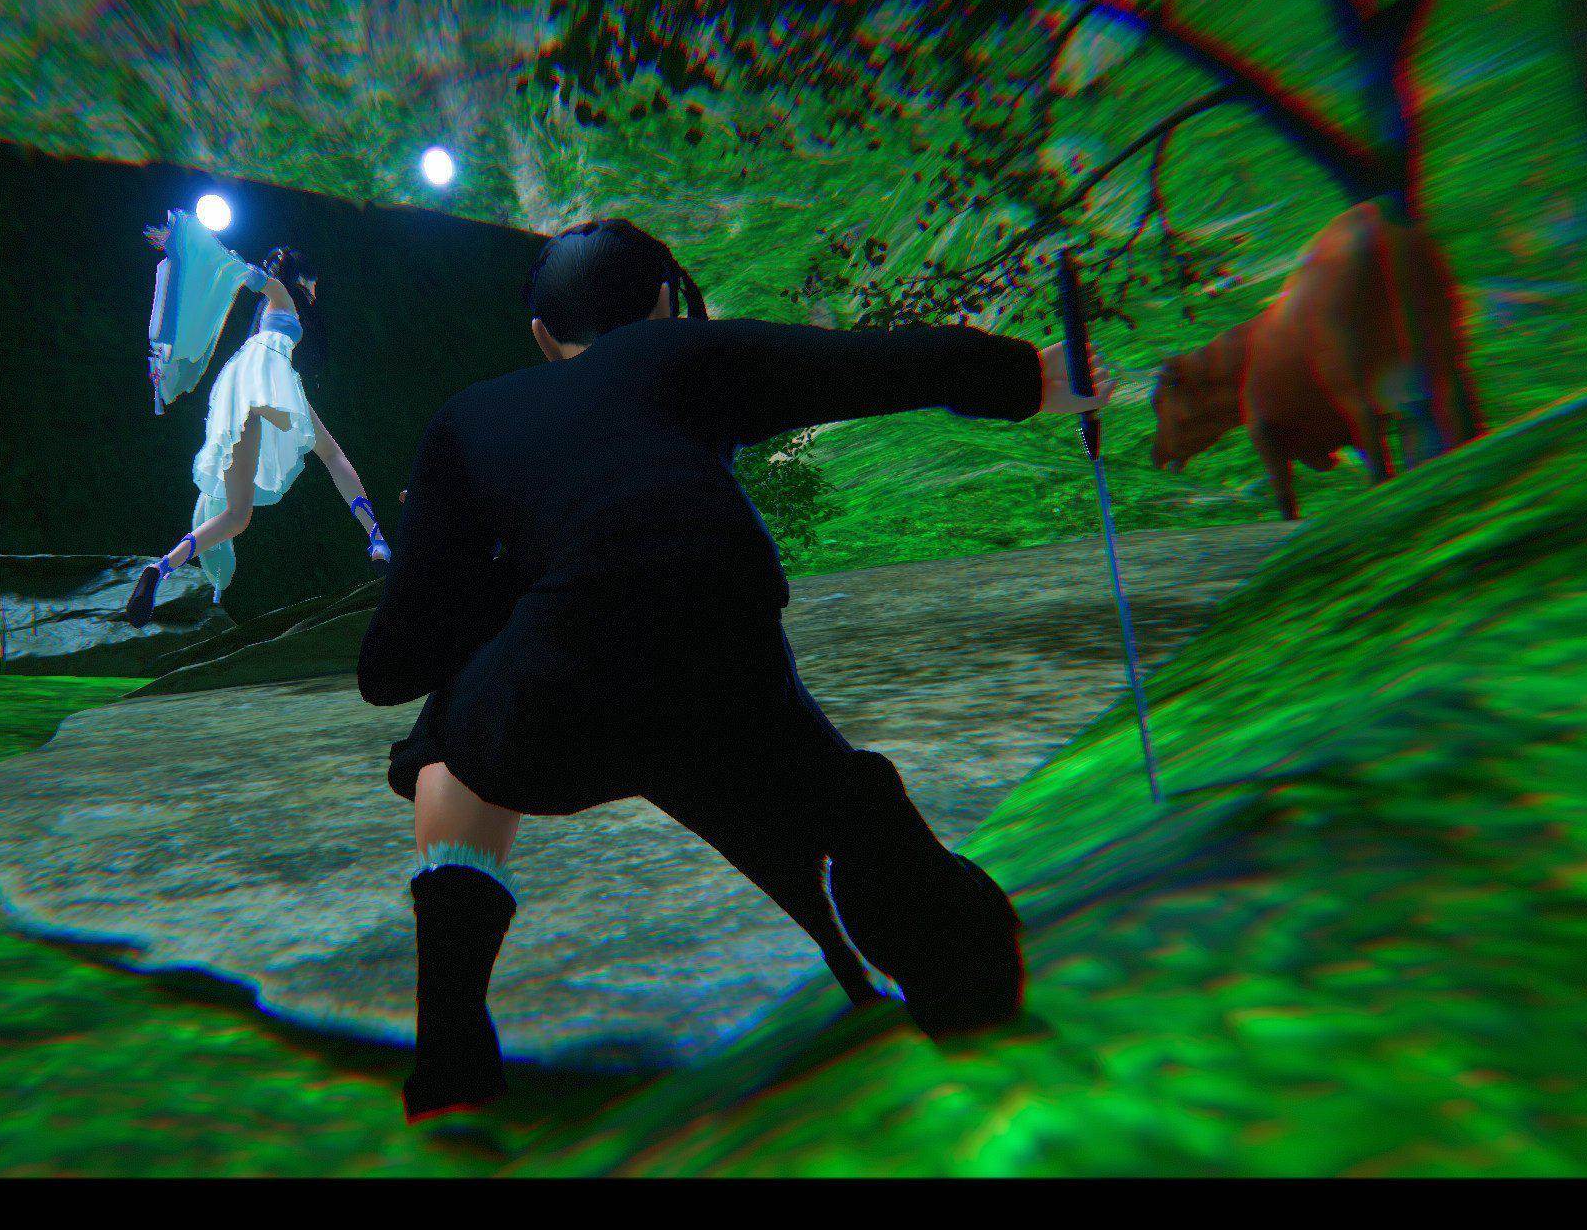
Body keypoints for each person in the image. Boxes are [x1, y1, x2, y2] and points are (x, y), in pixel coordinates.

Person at [358, 218, 1113, 1121]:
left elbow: (391, 666)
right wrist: (1029, 378)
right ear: (666, 300)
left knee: (441, 736)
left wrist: (496, 568)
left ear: (541, 336)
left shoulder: (468, 419)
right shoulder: (684, 351)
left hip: (560, 696)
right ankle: (932, 927)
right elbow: (873, 365)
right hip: (720, 647)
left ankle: (451, 1047)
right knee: (803, 770)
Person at [122, 214, 390, 627]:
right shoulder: (280, 295)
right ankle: (376, 538)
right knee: (331, 454)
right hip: (267, 378)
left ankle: (159, 569)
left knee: (237, 515)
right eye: (312, 282)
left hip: (248, 388)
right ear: (301, 279)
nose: (315, 290)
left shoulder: (270, 312)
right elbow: (242, 272)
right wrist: (191, 243)